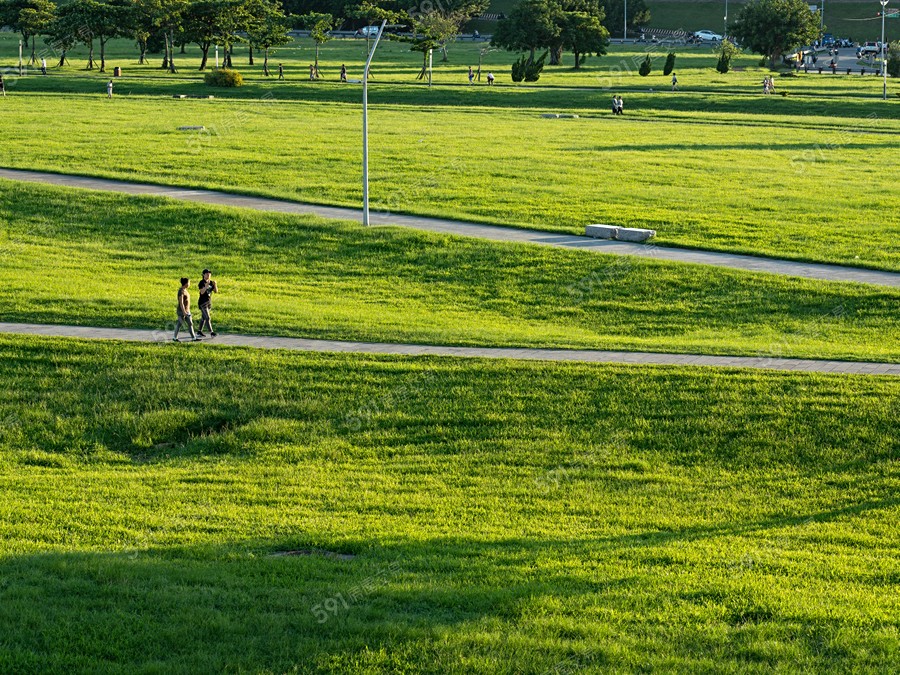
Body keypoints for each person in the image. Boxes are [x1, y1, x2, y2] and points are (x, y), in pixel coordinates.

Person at [173, 277, 199, 341]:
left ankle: (193, 338)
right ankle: (175, 338)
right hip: (182, 311)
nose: (189, 284)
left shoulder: (185, 290)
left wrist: (187, 310)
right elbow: (181, 302)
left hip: (187, 310)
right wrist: (184, 311)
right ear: (186, 283)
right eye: (189, 282)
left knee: (190, 323)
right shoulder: (181, 291)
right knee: (179, 324)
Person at [197, 268, 218, 337]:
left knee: (203, 318)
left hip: (208, 302)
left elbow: (215, 291)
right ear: (203, 275)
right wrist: (206, 285)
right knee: (207, 317)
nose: (208, 275)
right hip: (202, 302)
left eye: (209, 273)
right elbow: (202, 292)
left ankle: (199, 331)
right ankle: (211, 332)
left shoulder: (211, 282)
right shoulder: (201, 282)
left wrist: (215, 285)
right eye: (207, 273)